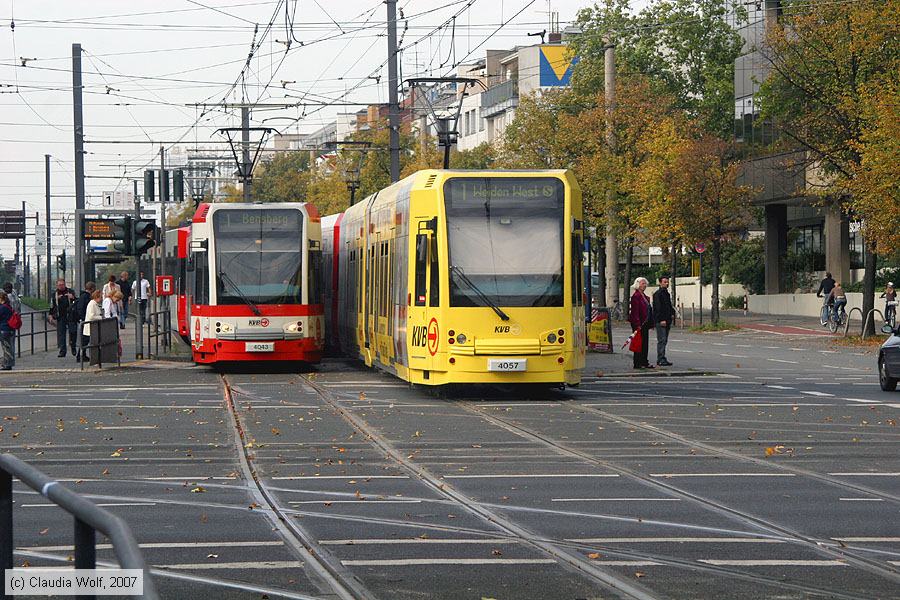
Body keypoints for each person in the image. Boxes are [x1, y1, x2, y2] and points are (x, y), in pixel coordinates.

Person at [628, 277, 653, 369]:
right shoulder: (636, 296)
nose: (644, 285)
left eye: (645, 284)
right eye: (643, 284)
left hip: (645, 323)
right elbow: (635, 312)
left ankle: (644, 361)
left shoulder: (644, 296)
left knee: (645, 343)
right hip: (639, 324)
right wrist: (637, 324)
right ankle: (638, 363)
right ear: (638, 284)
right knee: (638, 343)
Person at [49, 279, 78, 357]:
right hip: (60, 316)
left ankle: (73, 347)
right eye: (59, 285)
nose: (61, 286)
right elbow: (51, 305)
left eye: (62, 284)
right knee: (61, 334)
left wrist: (72, 297)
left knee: (73, 332)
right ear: (57, 286)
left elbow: (76, 302)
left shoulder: (70, 291)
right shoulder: (54, 294)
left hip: (70, 316)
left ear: (65, 284)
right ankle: (62, 351)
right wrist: (51, 315)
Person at [652, 276, 675, 367]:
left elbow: (668, 306)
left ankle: (662, 357)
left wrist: (672, 313)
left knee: (664, 340)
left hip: (667, 320)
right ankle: (660, 358)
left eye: (667, 282)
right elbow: (657, 308)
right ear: (660, 283)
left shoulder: (666, 293)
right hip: (661, 320)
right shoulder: (658, 294)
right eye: (665, 282)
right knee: (662, 339)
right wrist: (661, 319)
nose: (667, 283)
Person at [74, 282, 96, 360]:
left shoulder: (83, 296)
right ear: (92, 288)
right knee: (85, 339)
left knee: (85, 339)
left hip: (84, 320)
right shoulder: (85, 297)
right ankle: (80, 355)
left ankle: (82, 355)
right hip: (85, 321)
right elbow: (81, 309)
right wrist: (84, 318)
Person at [81, 289, 104, 360]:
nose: (101, 299)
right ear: (97, 297)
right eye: (101, 297)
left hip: (93, 327)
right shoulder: (92, 304)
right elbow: (91, 316)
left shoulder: (94, 304)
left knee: (87, 342)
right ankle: (83, 356)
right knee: (87, 342)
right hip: (90, 327)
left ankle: (85, 356)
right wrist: (101, 317)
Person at [2, 283, 20, 366]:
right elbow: (18, 310)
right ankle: (11, 362)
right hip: (13, 323)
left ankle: (7, 363)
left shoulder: (5, 301)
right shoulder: (15, 297)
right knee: (11, 344)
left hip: (5, 326)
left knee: (6, 345)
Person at [0, 291, 14, 370]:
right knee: (8, 347)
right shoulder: (8, 306)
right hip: (9, 329)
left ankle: (7, 364)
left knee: (6, 347)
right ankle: (8, 363)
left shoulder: (2, 308)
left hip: (4, 330)